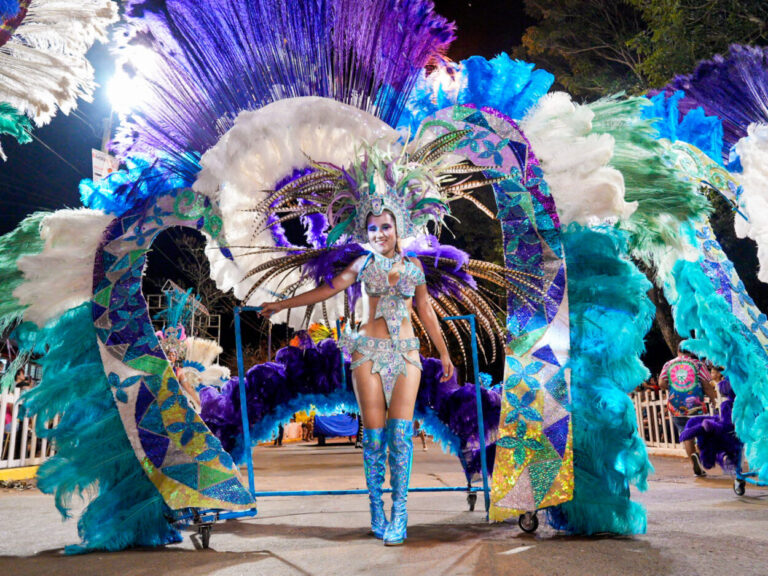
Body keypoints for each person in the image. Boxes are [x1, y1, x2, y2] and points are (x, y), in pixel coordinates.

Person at [261, 207, 454, 546]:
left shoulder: (415, 268)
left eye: (386, 227)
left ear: (398, 228)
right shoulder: (361, 265)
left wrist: (443, 350)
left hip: (406, 353)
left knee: (400, 436)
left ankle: (400, 513)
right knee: (375, 439)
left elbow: (425, 311)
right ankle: (377, 510)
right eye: (372, 228)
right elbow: (326, 290)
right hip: (367, 354)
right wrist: (283, 305)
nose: (379, 233)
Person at [658, 343, 715, 476]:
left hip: (676, 406)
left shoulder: (668, 364)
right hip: (696, 406)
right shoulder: (698, 365)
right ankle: (699, 456)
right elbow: (706, 384)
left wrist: (673, 389)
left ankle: (693, 462)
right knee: (702, 433)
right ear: (692, 351)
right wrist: (712, 398)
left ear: (678, 350)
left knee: (686, 434)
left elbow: (661, 383)